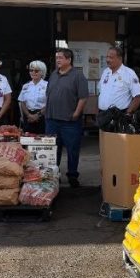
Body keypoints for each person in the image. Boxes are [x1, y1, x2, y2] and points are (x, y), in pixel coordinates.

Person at [45, 48, 89, 188]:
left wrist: (76, 114)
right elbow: (48, 95)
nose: (57, 60)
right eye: (56, 57)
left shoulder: (78, 76)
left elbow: (83, 97)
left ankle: (72, 176)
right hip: (52, 120)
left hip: (69, 122)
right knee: (52, 150)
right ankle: (54, 175)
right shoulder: (53, 74)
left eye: (60, 58)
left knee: (72, 149)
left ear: (69, 60)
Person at [96, 46, 140, 128]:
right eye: (107, 57)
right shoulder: (105, 72)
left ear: (119, 58)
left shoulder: (129, 73)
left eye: (111, 57)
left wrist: (128, 114)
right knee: (104, 140)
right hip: (103, 115)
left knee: (117, 140)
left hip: (119, 116)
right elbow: (100, 92)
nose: (107, 60)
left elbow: (139, 95)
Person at [18, 60, 48, 134]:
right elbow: (22, 102)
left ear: (42, 72)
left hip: (42, 117)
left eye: (36, 71)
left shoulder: (47, 85)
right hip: (28, 117)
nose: (33, 72)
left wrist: (37, 115)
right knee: (27, 140)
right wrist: (29, 115)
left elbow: (49, 103)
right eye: (31, 70)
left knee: (41, 141)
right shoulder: (26, 86)